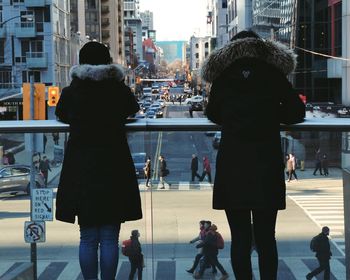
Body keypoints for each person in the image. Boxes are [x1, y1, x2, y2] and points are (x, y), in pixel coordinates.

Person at [202, 29, 305, 279]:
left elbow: (213, 113)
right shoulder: (272, 74)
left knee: (240, 239)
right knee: (266, 238)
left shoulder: (224, 77)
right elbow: (295, 112)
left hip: (233, 165)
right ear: (261, 48)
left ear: (231, 51)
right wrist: (271, 115)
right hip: (265, 165)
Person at [54, 41, 142, 280]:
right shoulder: (118, 90)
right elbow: (133, 108)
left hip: (82, 169)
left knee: (88, 237)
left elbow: (60, 113)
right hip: (114, 167)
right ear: (107, 61)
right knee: (109, 236)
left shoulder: (73, 91)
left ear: (82, 62)